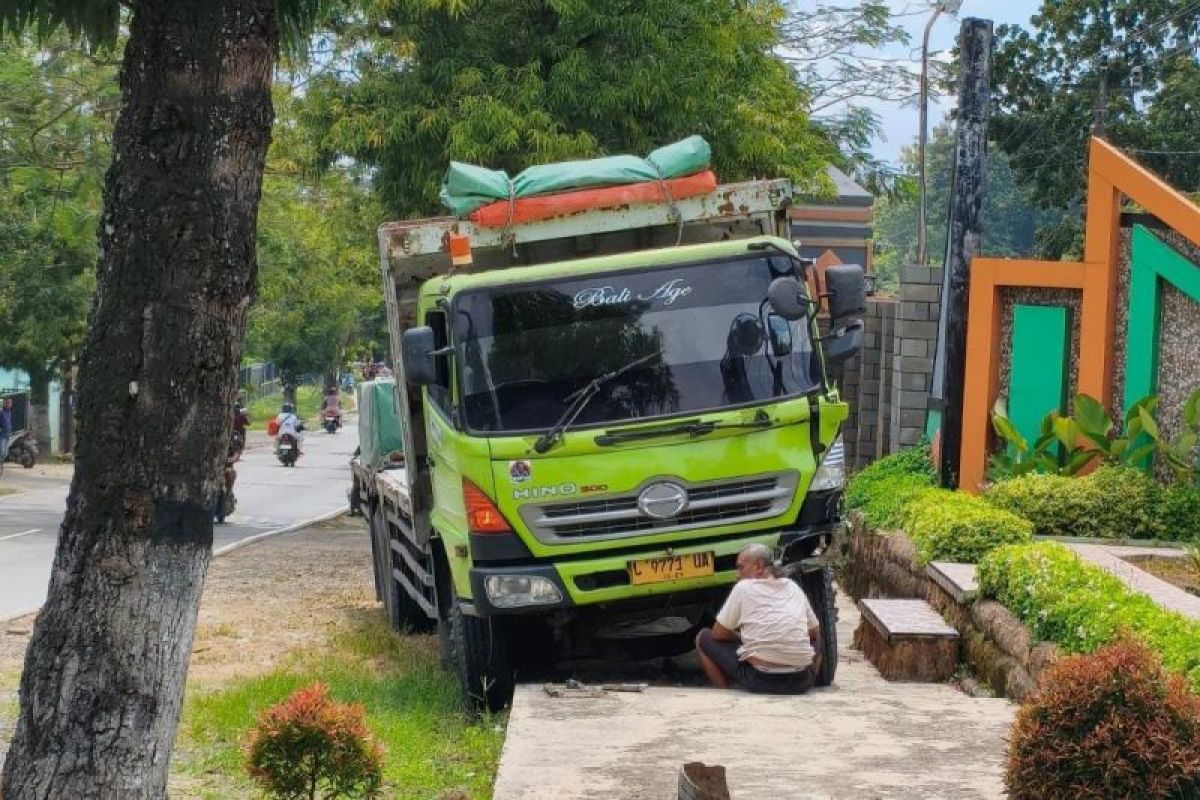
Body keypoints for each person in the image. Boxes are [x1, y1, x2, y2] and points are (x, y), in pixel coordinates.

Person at [694, 543, 822, 695]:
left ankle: (725, 694)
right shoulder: (793, 587)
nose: (737, 574)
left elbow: (718, 634)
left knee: (703, 637)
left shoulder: (743, 588)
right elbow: (814, 633)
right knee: (819, 638)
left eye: (740, 567)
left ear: (759, 566)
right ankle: (812, 679)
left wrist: (741, 638)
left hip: (761, 681)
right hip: (801, 682)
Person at [0, 397, 12, 462]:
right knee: (2, 452)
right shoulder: (1, 412)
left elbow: (9, 422)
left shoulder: (9, 413)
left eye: (10, 403)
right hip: (2, 434)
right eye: (8, 403)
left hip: (8, 434)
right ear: (5, 403)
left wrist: (10, 431)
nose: (9, 404)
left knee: (6, 453)